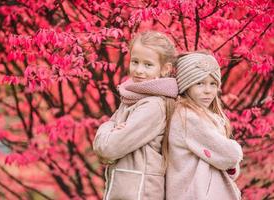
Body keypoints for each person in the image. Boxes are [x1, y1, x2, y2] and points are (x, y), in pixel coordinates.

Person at [93, 31, 178, 200]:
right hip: (127, 190)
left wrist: (108, 127)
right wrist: (111, 133)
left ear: (165, 69)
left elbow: (109, 148)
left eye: (148, 65)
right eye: (135, 62)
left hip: (141, 193)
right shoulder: (132, 98)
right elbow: (104, 153)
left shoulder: (153, 106)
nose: (139, 70)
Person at [165, 52, 243, 200]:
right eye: (199, 83)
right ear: (186, 85)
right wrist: (231, 155)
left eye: (213, 84)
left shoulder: (206, 117)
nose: (208, 90)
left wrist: (228, 163)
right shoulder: (187, 117)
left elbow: (230, 169)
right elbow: (231, 155)